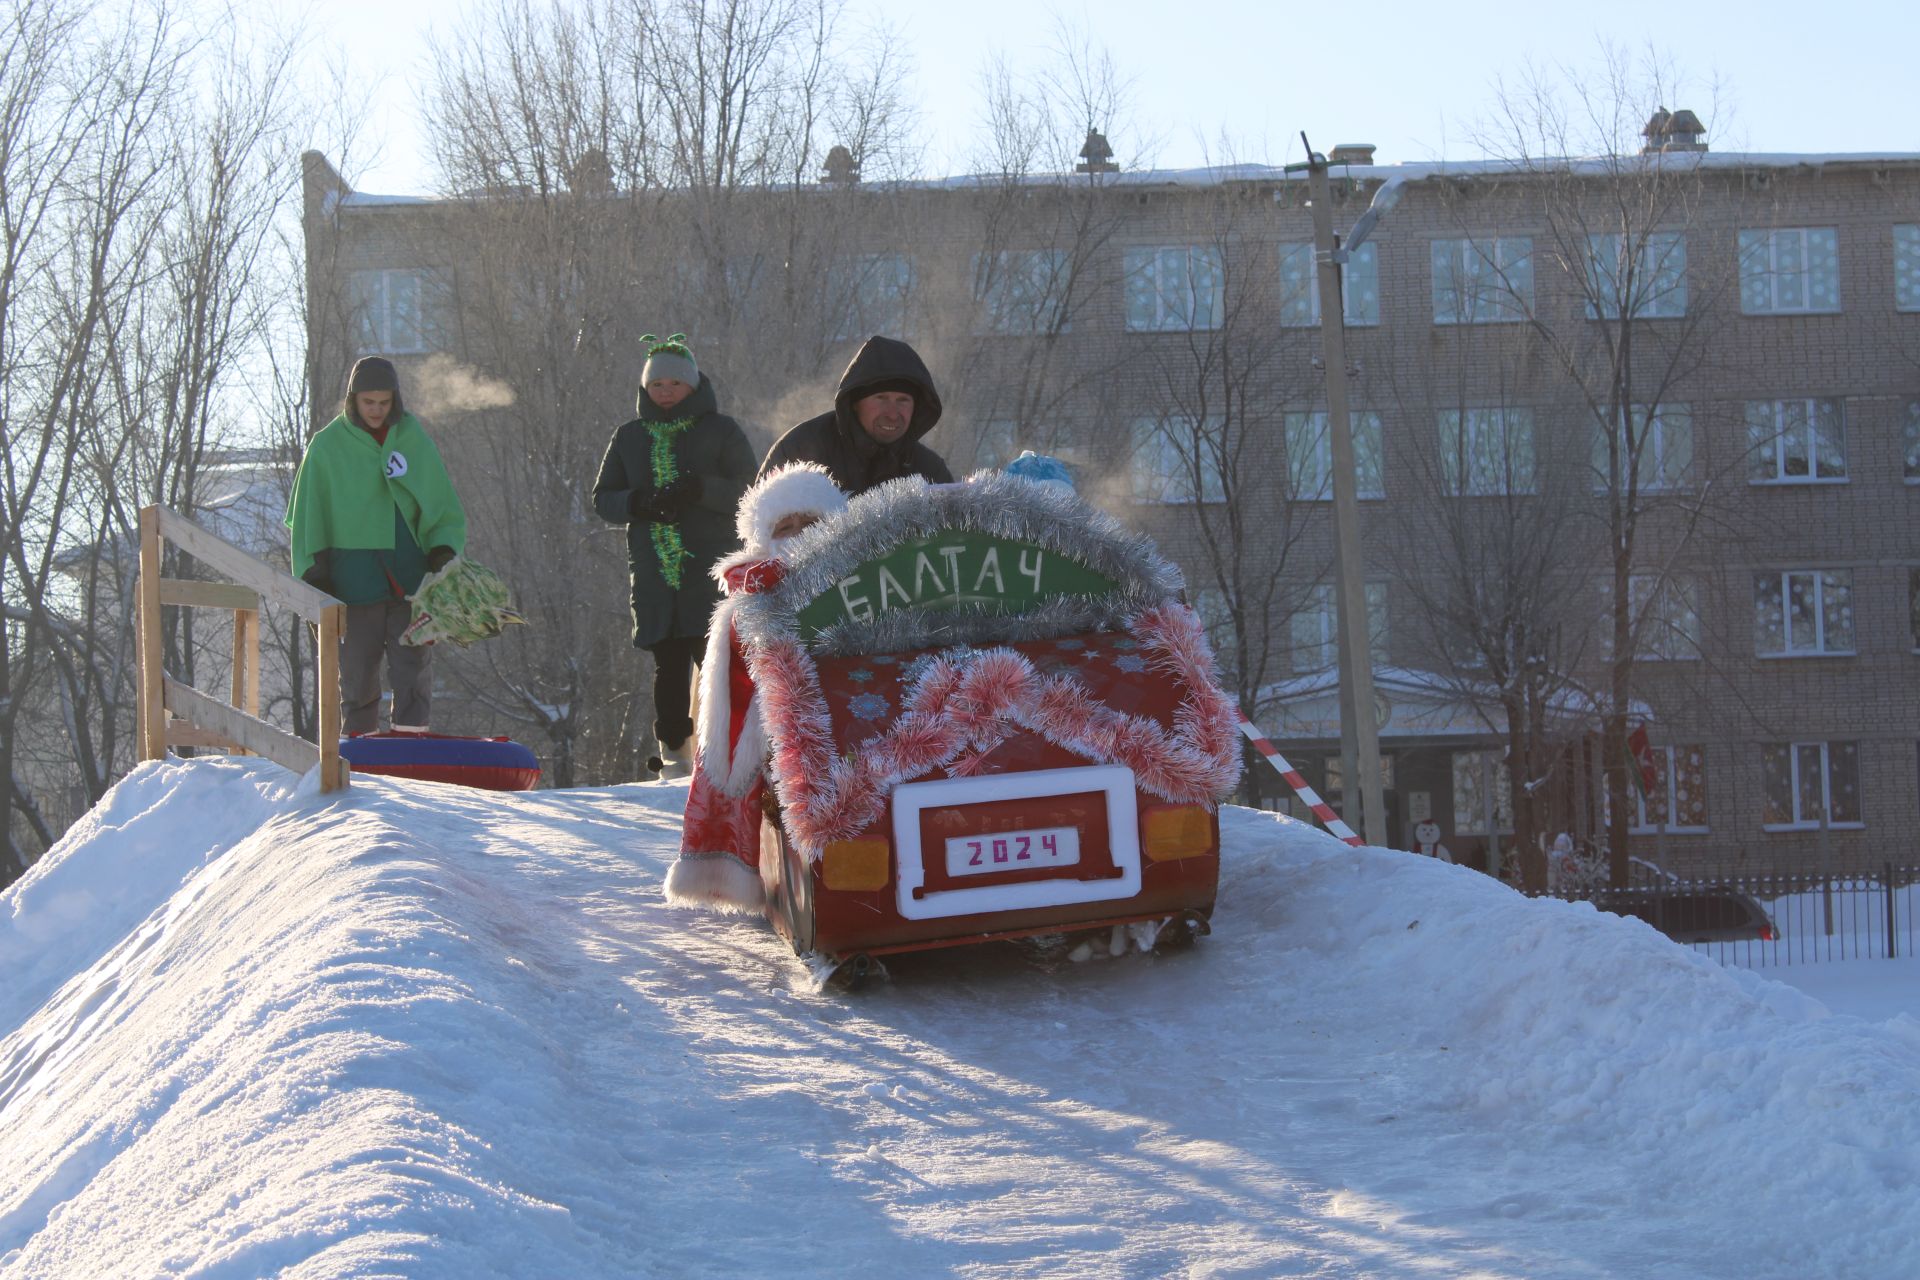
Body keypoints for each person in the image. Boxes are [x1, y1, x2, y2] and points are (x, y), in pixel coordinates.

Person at [666, 463, 848, 912]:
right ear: (764, 536)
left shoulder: (864, 582)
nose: (798, 534)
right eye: (785, 526)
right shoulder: (748, 601)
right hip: (786, 735)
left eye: (810, 524)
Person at [592, 334, 756, 778]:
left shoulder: (722, 431)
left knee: (718, 659)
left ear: (693, 385)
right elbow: (603, 497)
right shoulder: (628, 437)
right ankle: (674, 756)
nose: (664, 392)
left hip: (711, 569)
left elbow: (749, 488)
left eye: (674, 384)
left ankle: (729, 746)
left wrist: (701, 489)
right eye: (656, 384)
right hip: (654, 573)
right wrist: (639, 502)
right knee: (667, 662)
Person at [286, 356, 467, 736]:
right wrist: (315, 573)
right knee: (357, 673)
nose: (376, 410)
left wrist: (441, 550)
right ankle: (361, 758)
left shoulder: (412, 439)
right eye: (369, 402)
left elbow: (440, 503)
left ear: (394, 400)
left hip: (410, 579)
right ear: (353, 400)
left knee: (413, 669)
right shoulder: (327, 446)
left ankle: (410, 750)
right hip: (352, 581)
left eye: (384, 403)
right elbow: (307, 514)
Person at [757, 334, 952, 494]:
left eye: (903, 401)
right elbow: (762, 530)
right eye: (881, 398)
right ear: (855, 403)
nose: (893, 414)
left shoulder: (929, 471)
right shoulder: (800, 451)